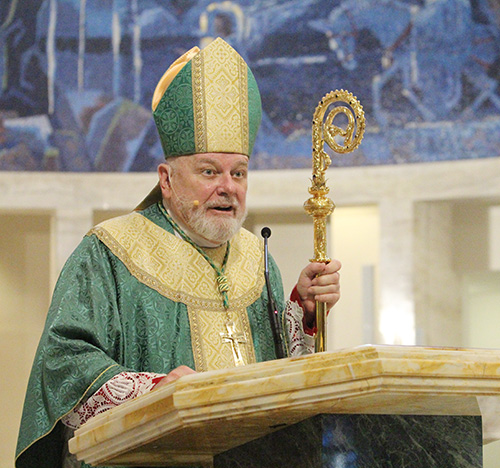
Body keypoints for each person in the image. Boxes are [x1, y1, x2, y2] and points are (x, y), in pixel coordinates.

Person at [15, 38, 341, 468]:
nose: (228, 186)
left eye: (238, 173)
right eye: (209, 171)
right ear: (166, 179)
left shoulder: (257, 259)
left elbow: (281, 382)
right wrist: (158, 392)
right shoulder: (110, 252)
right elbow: (64, 367)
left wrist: (304, 313)